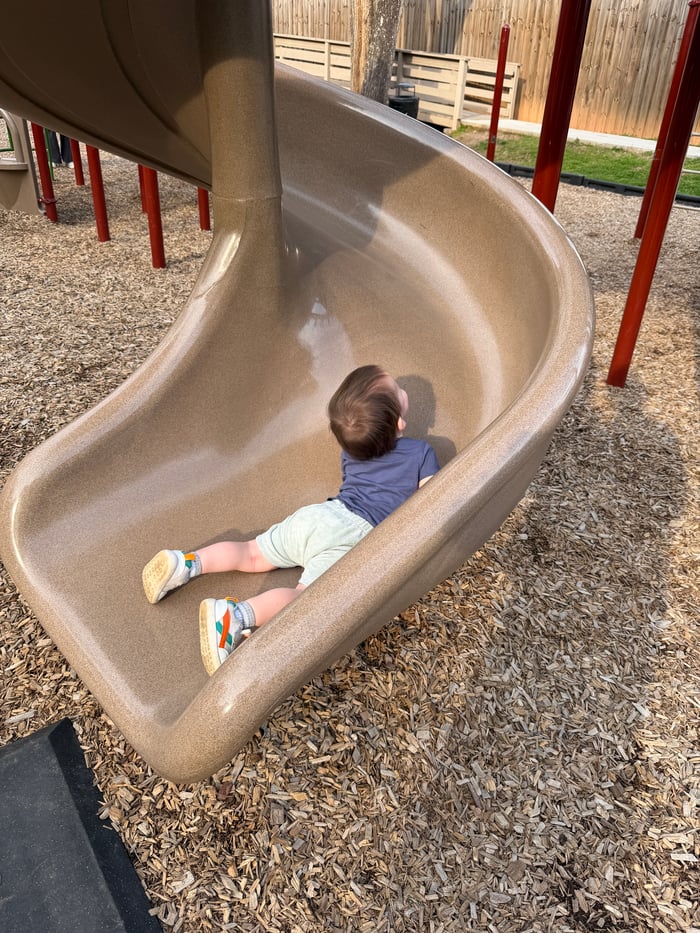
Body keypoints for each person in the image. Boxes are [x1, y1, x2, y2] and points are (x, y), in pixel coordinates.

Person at [142, 365, 440, 674]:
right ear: (400, 421)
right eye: (399, 391)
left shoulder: (351, 452)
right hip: (353, 534)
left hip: (319, 516)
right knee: (303, 600)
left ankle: (186, 562)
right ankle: (235, 616)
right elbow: (433, 502)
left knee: (251, 552)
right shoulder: (420, 452)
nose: (403, 390)